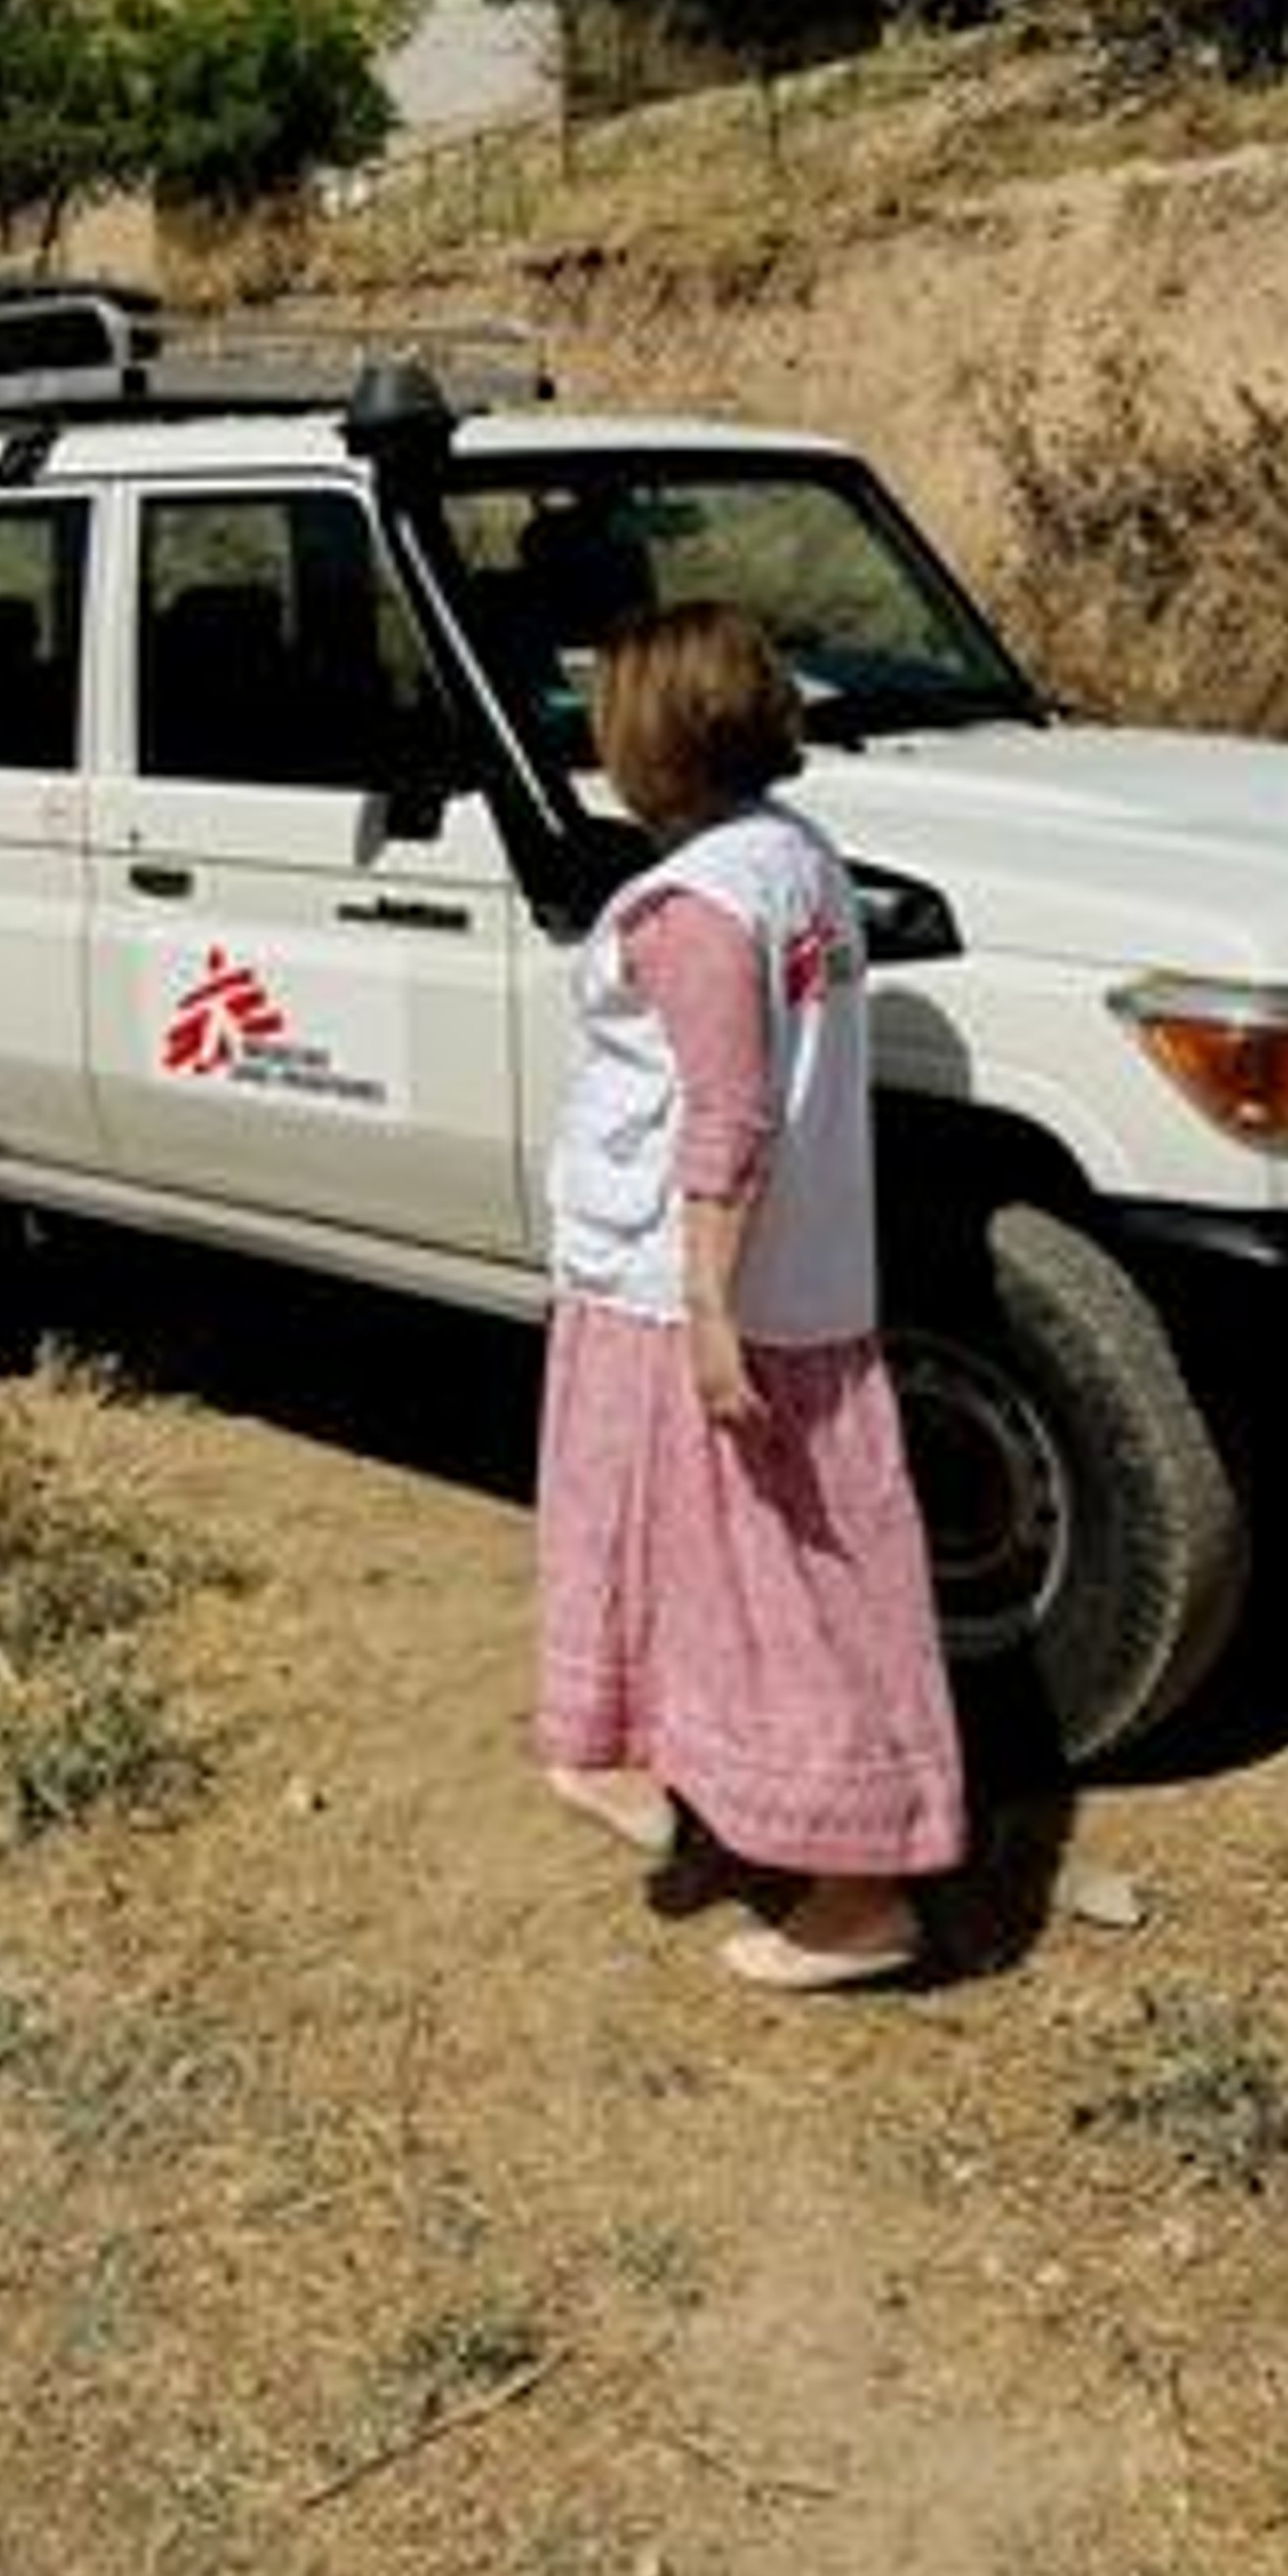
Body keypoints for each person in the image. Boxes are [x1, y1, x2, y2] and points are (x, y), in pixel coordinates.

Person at [536, 598, 966, 1991]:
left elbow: (725, 1117)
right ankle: (691, 1777)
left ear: (649, 730)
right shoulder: (800, 860)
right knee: (767, 1569)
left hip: (688, 1290)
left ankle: (857, 1890)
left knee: (773, 1579)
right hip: (803, 1282)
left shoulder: (695, 912)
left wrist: (710, 1310)